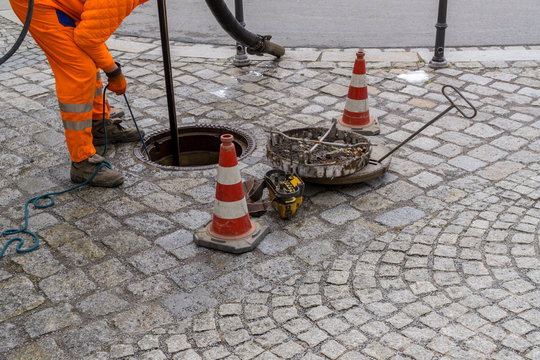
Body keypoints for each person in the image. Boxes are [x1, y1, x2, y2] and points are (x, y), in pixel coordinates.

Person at [9, 0, 149, 187]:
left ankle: (98, 126)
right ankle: (82, 161)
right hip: (41, 5)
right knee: (79, 71)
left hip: (66, 4)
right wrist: (114, 72)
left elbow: (92, 35)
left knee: (87, 62)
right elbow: (88, 39)